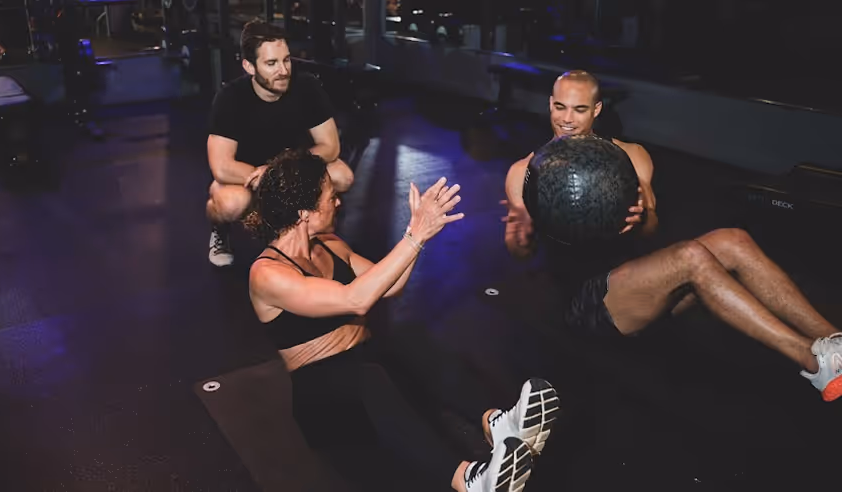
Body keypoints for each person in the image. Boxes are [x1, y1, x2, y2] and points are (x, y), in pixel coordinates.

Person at [502, 70, 842, 402]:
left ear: (597, 110)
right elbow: (521, 253)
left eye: (579, 109)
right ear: (549, 104)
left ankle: (833, 340)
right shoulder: (524, 172)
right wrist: (521, 234)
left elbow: (651, 231)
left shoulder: (630, 157)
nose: (567, 119)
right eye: (560, 107)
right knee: (691, 256)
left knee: (733, 240)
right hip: (588, 304)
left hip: (640, 284)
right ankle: (812, 361)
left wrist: (642, 216)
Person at [245, 149, 561, 491]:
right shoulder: (267, 274)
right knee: (367, 377)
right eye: (330, 197)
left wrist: (416, 233)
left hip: (364, 365)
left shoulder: (331, 244)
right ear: (304, 211)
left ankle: (498, 423)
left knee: (407, 338)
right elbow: (357, 299)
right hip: (322, 401)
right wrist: (414, 237)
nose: (337, 203)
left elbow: (390, 286)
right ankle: (470, 481)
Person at [205, 20, 355, 267]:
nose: (283, 70)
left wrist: (277, 172)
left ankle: (313, 230)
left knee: (342, 176)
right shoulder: (230, 98)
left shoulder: (306, 86)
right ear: (249, 66)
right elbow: (221, 166)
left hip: (290, 169)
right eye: (271, 63)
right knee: (230, 204)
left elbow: (330, 147)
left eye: (286, 60)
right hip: (247, 175)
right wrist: (272, 175)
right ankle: (220, 230)